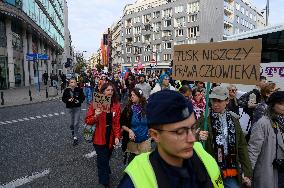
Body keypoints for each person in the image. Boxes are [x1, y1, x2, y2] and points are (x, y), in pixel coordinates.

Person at [118, 90, 224, 188]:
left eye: (192, 128)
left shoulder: (203, 156)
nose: (192, 139)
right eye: (180, 132)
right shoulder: (136, 179)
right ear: (155, 135)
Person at [198, 86, 252, 188]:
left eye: (219, 101)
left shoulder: (234, 119)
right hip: (210, 170)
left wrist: (247, 172)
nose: (215, 104)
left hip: (230, 169)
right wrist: (198, 136)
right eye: (213, 100)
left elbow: (241, 146)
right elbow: (192, 141)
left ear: (227, 101)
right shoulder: (204, 119)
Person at [85, 82, 121, 188]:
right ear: (103, 91)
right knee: (102, 160)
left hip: (110, 136)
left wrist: (117, 136)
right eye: (108, 90)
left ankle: (105, 168)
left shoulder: (116, 105)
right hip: (99, 136)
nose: (110, 92)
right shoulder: (96, 103)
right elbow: (88, 121)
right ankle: (105, 182)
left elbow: (116, 123)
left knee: (107, 157)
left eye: (112, 90)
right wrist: (95, 116)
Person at [248, 91, 284, 188]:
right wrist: (247, 173)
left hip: (279, 170)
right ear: (272, 105)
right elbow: (253, 149)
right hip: (266, 169)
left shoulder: (279, 121)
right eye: (281, 104)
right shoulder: (263, 123)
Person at [120, 88, 151, 164]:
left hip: (145, 140)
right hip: (132, 141)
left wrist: (150, 134)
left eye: (134, 95)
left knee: (143, 163)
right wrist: (129, 131)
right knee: (132, 163)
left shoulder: (147, 108)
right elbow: (122, 124)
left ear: (139, 96)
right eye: (131, 95)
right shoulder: (128, 109)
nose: (132, 96)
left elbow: (153, 122)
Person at [62, 78, 85, 146]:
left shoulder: (79, 89)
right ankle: (72, 130)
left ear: (76, 83)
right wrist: (68, 100)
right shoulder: (66, 90)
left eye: (74, 82)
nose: (73, 83)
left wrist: (79, 101)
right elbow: (63, 98)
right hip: (69, 108)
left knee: (76, 123)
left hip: (77, 108)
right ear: (69, 83)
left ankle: (75, 137)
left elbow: (83, 97)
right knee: (71, 123)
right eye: (71, 82)